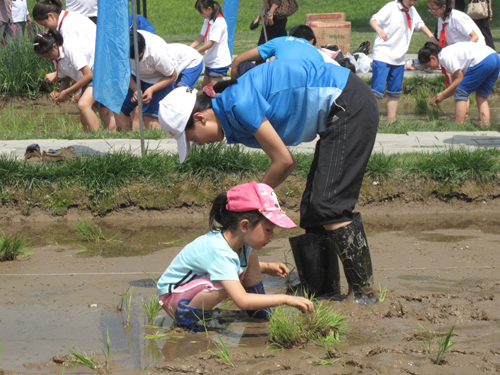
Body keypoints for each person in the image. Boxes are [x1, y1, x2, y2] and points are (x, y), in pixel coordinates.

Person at [158, 59, 380, 305]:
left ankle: (364, 296)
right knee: (313, 210)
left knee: (329, 205)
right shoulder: (229, 106)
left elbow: (284, 161)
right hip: (339, 109)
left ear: (200, 119)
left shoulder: (238, 104)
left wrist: (255, 202)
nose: (197, 145)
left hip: (349, 102)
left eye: (191, 139)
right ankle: (322, 292)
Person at [157, 182, 314, 332]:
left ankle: (259, 313)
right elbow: (242, 300)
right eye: (268, 230)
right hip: (175, 299)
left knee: (250, 257)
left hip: (190, 289)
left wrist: (266, 267)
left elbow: (232, 266)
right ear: (245, 226)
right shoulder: (219, 251)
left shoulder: (239, 244)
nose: (271, 236)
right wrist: (286, 299)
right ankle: (187, 320)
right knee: (224, 286)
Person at [116, 30, 203, 131]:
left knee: (156, 112)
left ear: (143, 49)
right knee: (120, 108)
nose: (134, 61)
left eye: (137, 57)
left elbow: (171, 76)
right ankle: (125, 140)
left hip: (187, 65)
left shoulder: (157, 53)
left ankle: (185, 129)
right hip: (150, 73)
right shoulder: (121, 47)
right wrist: (136, 89)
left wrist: (151, 90)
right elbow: (123, 72)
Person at [34, 29, 114, 132]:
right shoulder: (56, 59)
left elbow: (88, 75)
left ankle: (99, 139)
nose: (48, 59)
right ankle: (91, 141)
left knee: (84, 105)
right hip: (90, 77)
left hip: (100, 72)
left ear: (54, 46)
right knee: (88, 115)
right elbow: (65, 80)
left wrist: (67, 92)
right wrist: (59, 93)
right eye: (45, 58)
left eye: (48, 55)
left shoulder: (69, 49)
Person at [369, 0, 437, 123]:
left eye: (415, 0)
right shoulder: (391, 7)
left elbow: (420, 25)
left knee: (394, 91)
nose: (413, 2)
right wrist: (379, 30)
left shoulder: (412, 11)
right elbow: (373, 20)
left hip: (399, 57)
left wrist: (431, 37)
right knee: (377, 90)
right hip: (383, 54)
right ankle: (371, 121)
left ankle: (392, 120)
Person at [418, 41, 500, 125]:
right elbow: (455, 85)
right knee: (481, 96)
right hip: (494, 57)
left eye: (428, 65)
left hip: (483, 60)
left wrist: (443, 94)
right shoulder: (447, 53)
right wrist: (443, 96)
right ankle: (485, 124)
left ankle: (459, 125)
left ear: (433, 58)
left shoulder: (444, 56)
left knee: (461, 93)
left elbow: (460, 78)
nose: (430, 68)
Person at [32, 0, 97, 84]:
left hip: (96, 66)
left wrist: (56, 74)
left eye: (44, 24)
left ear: (51, 16)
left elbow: (75, 57)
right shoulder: (65, 18)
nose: (46, 28)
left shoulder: (66, 29)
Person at [230, 32, 325, 79]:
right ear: (312, 41)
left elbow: (238, 59)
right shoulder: (317, 52)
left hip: (279, 84)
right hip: (310, 92)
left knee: (244, 65)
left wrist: (232, 87)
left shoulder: (281, 40)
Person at [190, 0, 231, 87]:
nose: (200, 14)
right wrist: (188, 49)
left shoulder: (219, 22)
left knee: (214, 91)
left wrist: (195, 52)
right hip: (210, 61)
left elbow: (210, 43)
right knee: (205, 88)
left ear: (209, 9)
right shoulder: (207, 20)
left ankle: (225, 99)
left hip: (218, 62)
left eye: (201, 11)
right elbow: (200, 38)